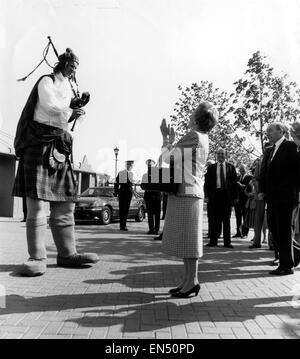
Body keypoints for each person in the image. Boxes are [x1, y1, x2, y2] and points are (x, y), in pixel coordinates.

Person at [12, 48, 99, 276]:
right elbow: (50, 107)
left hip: (60, 144)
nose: (74, 70)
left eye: (76, 68)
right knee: (37, 202)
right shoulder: (46, 81)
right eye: (72, 65)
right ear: (63, 63)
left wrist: (76, 111)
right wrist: (71, 107)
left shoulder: (68, 87)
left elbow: (61, 114)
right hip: (38, 142)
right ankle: (37, 257)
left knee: (65, 202)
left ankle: (67, 254)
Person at [160, 101, 218, 298]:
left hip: (186, 191)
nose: (190, 115)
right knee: (187, 240)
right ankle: (188, 280)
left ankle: (192, 281)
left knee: (190, 241)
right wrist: (173, 142)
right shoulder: (203, 137)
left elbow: (168, 158)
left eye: (193, 112)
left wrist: (165, 138)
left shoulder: (193, 135)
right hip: (191, 190)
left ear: (196, 118)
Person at [259, 122, 300, 275]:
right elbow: (264, 172)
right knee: (275, 231)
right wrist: (262, 190)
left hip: (287, 198)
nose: (267, 133)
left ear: (281, 131)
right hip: (272, 198)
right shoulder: (269, 150)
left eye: (270, 130)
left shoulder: (291, 146)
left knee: (284, 231)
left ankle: (287, 266)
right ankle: (296, 253)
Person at [204, 148, 238, 248]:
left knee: (226, 220)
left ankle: (227, 242)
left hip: (227, 196)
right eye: (218, 154)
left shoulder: (231, 167)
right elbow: (207, 183)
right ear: (216, 155)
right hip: (215, 196)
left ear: (225, 155)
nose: (220, 155)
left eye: (222, 154)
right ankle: (213, 241)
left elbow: (234, 184)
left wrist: (235, 197)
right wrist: (206, 196)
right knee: (214, 219)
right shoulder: (211, 167)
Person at [142, 159, 162, 235]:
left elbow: (162, 185)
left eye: (151, 165)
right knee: (150, 214)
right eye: (148, 166)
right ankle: (151, 229)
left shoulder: (159, 175)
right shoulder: (145, 175)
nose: (149, 167)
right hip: (149, 196)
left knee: (157, 214)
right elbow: (142, 186)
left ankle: (156, 230)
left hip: (157, 197)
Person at [114, 160, 135, 231]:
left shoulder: (131, 173)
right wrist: (116, 192)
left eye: (131, 165)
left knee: (126, 210)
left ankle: (124, 224)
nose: (130, 166)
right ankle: (122, 225)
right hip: (123, 192)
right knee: (122, 209)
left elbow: (130, 184)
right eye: (129, 165)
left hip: (129, 193)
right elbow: (117, 183)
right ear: (126, 165)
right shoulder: (122, 172)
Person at [232, 165, 252, 239]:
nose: (241, 170)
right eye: (240, 169)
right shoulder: (237, 178)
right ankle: (238, 232)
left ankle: (245, 234)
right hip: (238, 201)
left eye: (243, 169)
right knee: (238, 217)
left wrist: (241, 185)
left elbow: (249, 188)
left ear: (246, 169)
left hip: (246, 201)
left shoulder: (250, 177)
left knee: (245, 217)